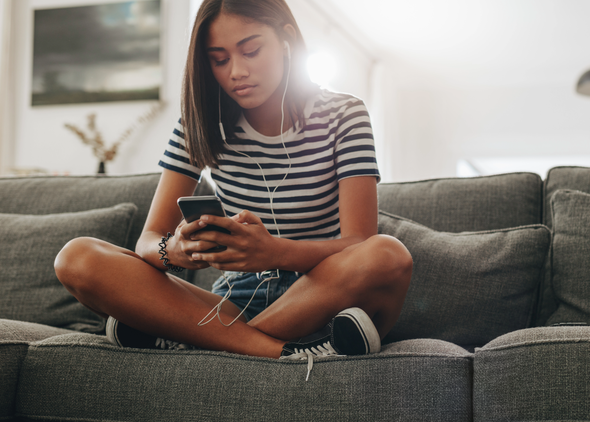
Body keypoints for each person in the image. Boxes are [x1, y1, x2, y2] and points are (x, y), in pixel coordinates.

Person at [54, 0, 412, 367]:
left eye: (252, 50)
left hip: (319, 294)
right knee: (77, 258)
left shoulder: (344, 115)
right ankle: (281, 351)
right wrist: (173, 250)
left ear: (286, 40)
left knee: (387, 254)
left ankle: (196, 340)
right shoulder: (199, 123)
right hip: (231, 302)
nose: (237, 71)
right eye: (219, 59)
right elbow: (147, 242)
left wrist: (274, 253)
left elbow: (358, 243)